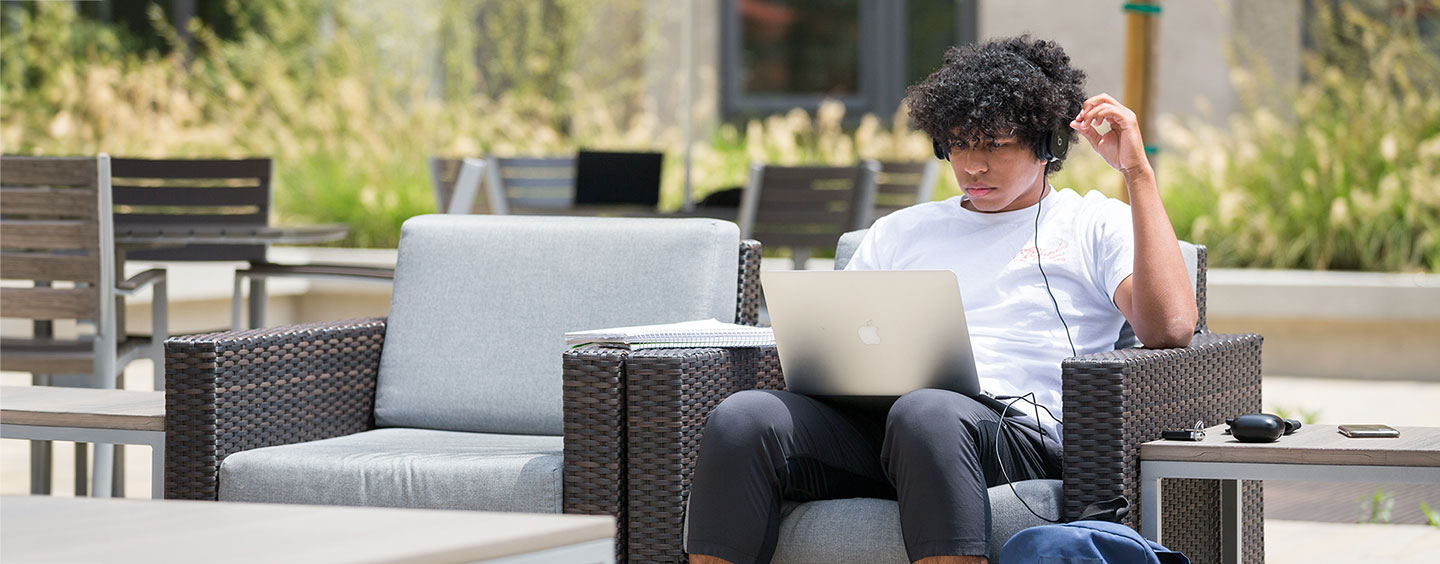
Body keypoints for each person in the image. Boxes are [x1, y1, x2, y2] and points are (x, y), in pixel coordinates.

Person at [686, 35, 1197, 564]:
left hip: (1014, 437)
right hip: (888, 431)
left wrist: (1136, 174)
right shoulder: (900, 231)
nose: (973, 165)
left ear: (1048, 144)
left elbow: (1171, 329)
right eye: (958, 144)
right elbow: (836, 342)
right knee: (743, 417)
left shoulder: (1092, 222)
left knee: (926, 410)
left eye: (995, 145)